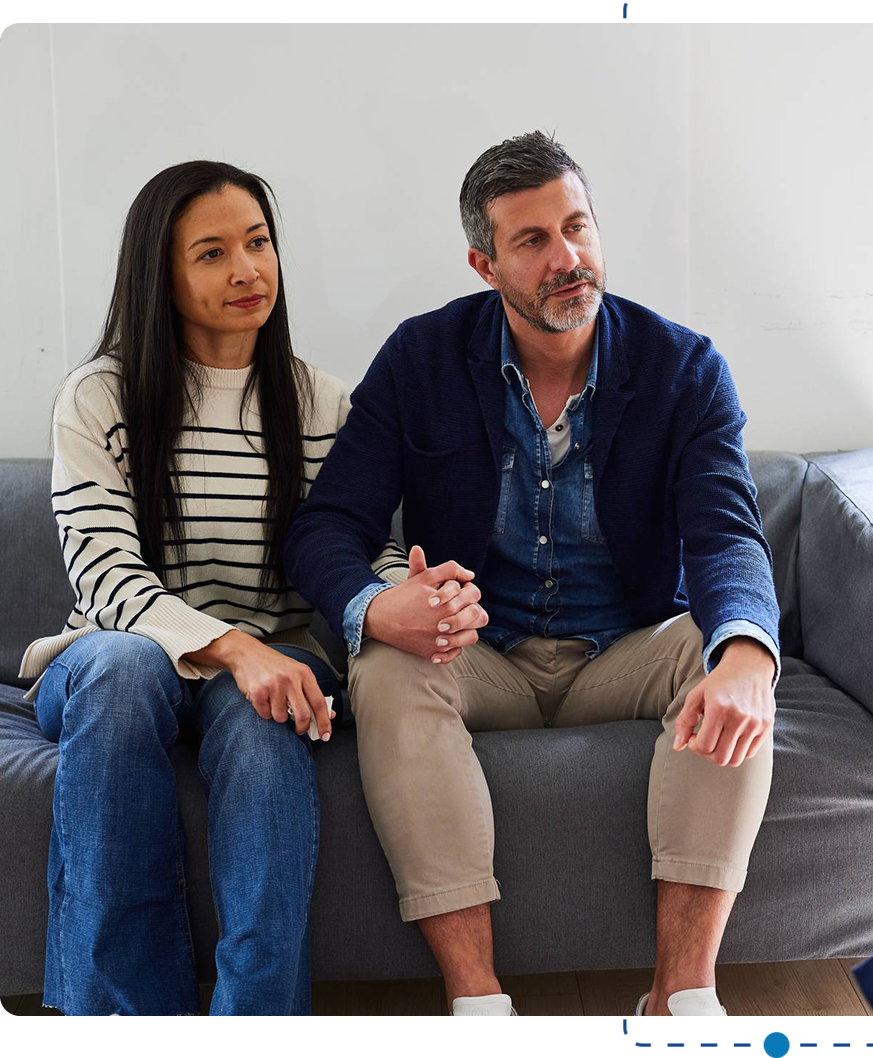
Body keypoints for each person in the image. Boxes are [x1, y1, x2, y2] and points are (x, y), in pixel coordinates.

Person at [284, 130, 781, 1039]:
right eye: (534, 241)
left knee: (727, 664)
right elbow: (326, 527)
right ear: (485, 262)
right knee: (386, 664)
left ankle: (682, 1002)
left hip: (628, 647)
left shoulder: (685, 367)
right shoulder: (419, 359)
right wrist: (372, 604)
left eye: (578, 227)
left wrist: (748, 648)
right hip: (482, 651)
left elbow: (726, 533)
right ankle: (479, 1005)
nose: (569, 259)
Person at [17, 160, 468, 1020]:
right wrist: (233, 649)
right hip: (117, 662)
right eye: (213, 253)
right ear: (161, 272)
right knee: (124, 670)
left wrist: (397, 601)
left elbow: (357, 550)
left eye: (258, 243)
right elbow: (105, 573)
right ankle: (122, 1030)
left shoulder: (326, 404)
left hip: (271, 671)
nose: (247, 270)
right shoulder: (98, 395)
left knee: (267, 740)